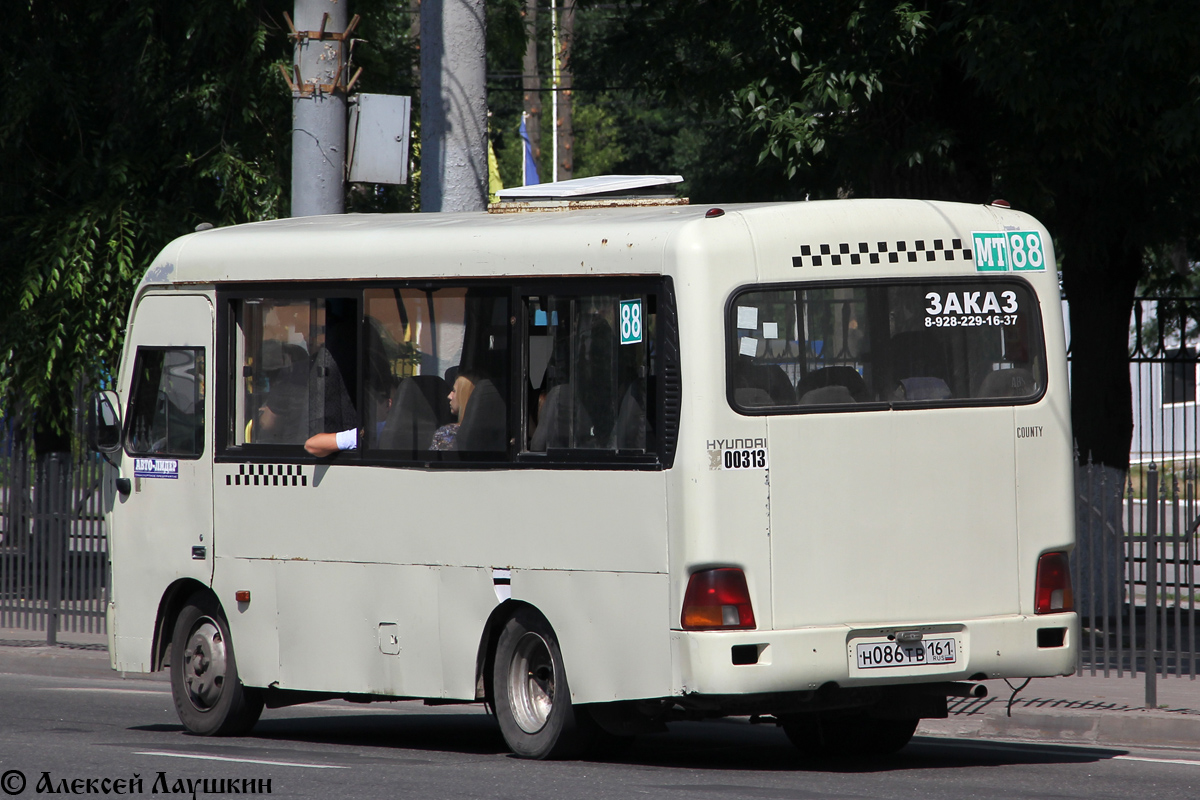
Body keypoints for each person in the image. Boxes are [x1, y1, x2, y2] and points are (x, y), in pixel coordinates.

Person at [429, 373, 475, 451]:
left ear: (466, 396)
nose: (449, 396)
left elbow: (432, 462)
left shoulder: (448, 433)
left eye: (454, 391)